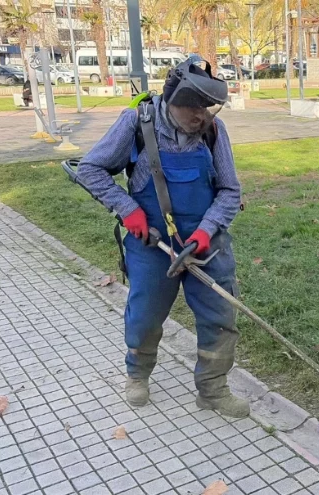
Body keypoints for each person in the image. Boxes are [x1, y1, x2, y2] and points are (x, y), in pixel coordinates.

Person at [77, 58, 248, 418]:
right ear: (173, 100)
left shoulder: (214, 132)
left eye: (208, 107)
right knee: (145, 314)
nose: (202, 116)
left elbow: (230, 191)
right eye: (195, 107)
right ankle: (137, 375)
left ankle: (213, 389)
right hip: (151, 240)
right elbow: (91, 169)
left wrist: (206, 232)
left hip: (206, 240)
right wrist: (128, 210)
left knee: (220, 314)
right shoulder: (137, 124)